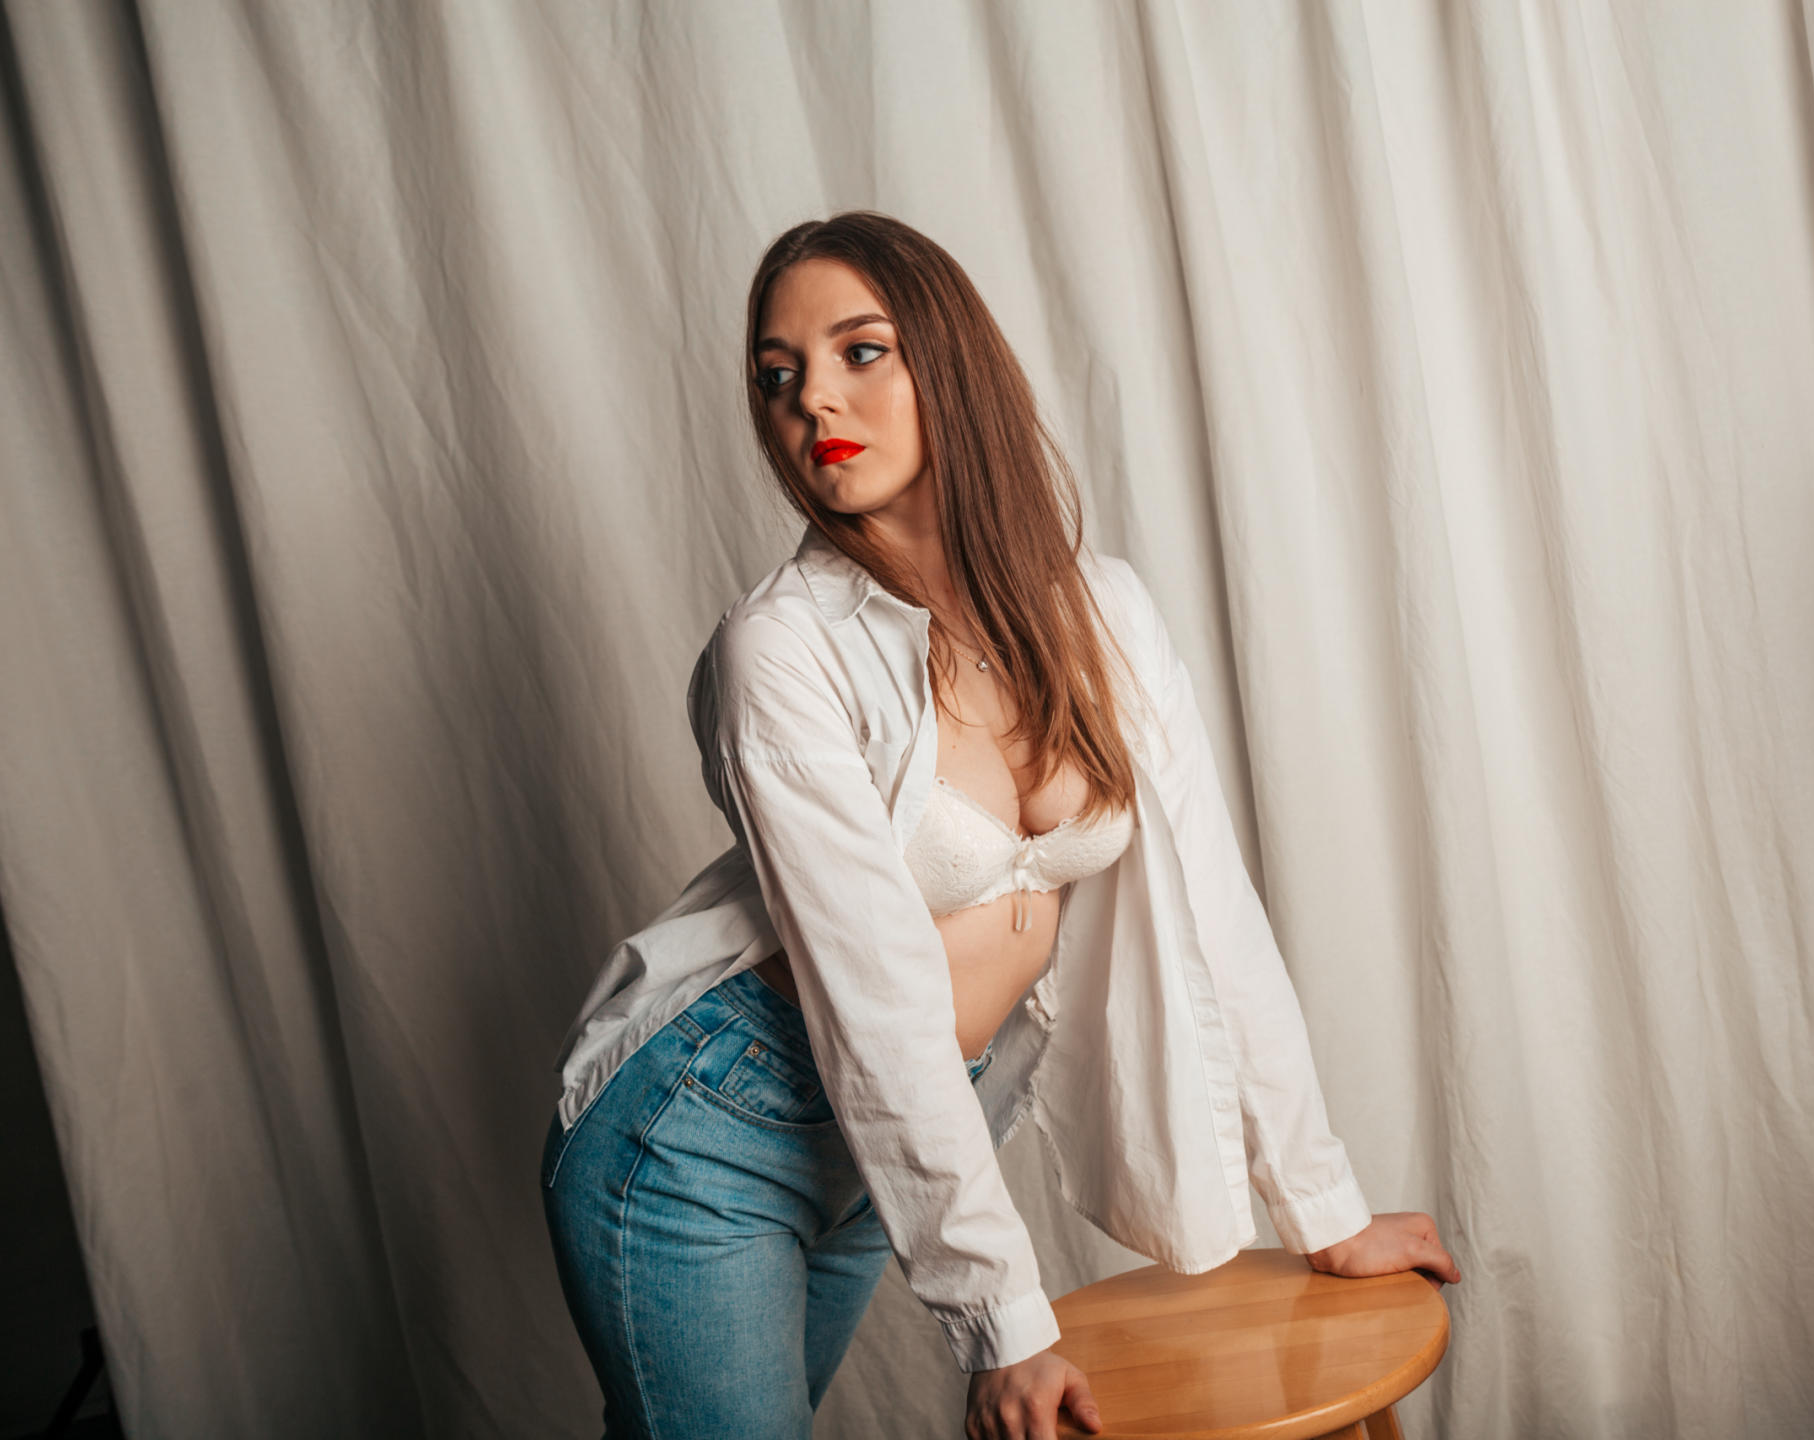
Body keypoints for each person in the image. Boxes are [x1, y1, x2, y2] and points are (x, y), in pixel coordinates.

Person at [540, 211, 1460, 1440]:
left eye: (860, 351)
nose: (814, 399)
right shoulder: (783, 649)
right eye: (777, 374)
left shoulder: (1106, 614)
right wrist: (1003, 1324)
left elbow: (1216, 914)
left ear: (950, 360)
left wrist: (1324, 1210)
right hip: (702, 1136)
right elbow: (871, 995)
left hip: (891, 1138)